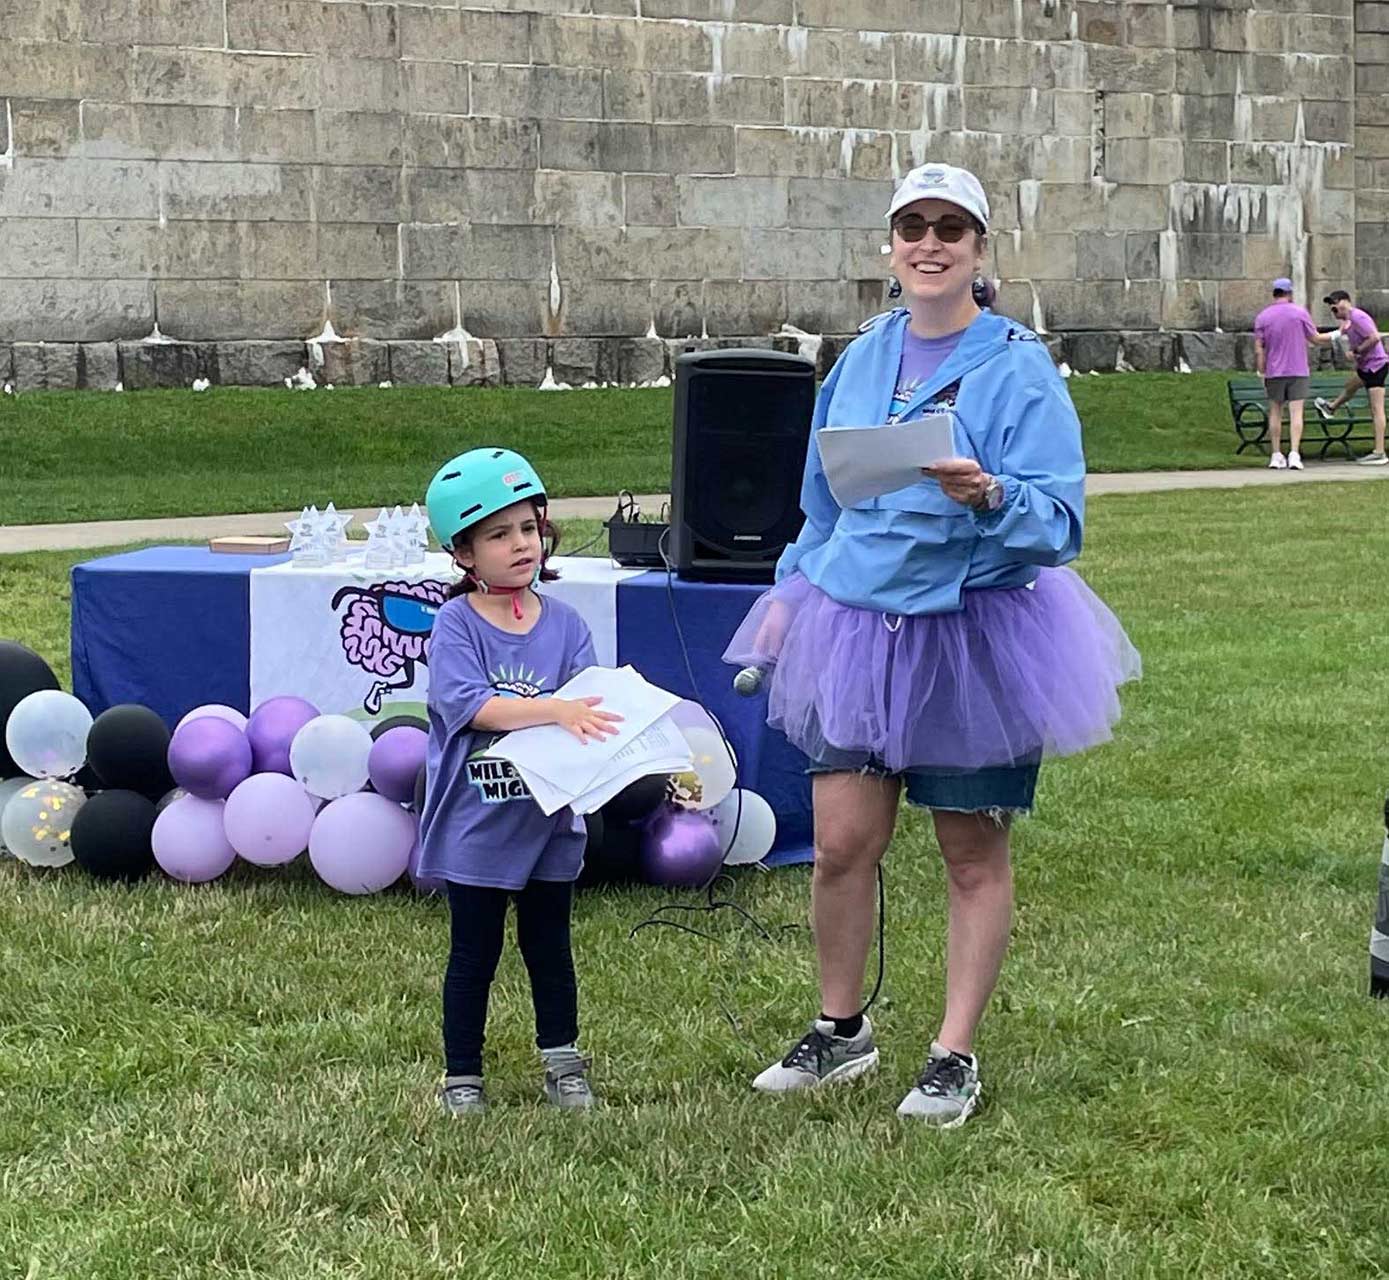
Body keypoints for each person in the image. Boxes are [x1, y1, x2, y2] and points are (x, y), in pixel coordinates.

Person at [724, 162, 1140, 1126]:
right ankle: (841, 1032)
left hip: (974, 633)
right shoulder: (862, 358)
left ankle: (952, 1054)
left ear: (979, 250)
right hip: (858, 628)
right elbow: (823, 502)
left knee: (968, 850)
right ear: (890, 245)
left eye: (951, 228)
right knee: (838, 845)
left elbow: (1058, 524)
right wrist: (794, 590)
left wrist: (987, 495)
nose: (929, 243)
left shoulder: (1018, 367)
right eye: (913, 225)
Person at [419, 447, 621, 1116]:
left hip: (548, 822)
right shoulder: (455, 624)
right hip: (477, 823)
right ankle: (462, 1077)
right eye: (498, 534)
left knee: (549, 948)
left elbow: (589, 703)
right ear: (464, 553)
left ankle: (562, 1063)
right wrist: (555, 710)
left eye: (528, 528)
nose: (520, 544)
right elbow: (470, 704)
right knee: (473, 953)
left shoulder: (565, 625)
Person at [1253, 277, 1326, 471]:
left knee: (1275, 412)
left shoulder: (1263, 317)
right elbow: (1315, 338)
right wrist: (1337, 335)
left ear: (1274, 293)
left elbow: (1259, 348)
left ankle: (1276, 454)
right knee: (1296, 412)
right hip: (1298, 369)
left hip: (1274, 370)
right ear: (1289, 293)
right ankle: (1294, 453)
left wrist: (1261, 371)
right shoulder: (1299, 313)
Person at [1314, 290, 1388, 465]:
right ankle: (1331, 408)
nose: (1334, 310)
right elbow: (1332, 336)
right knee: (1351, 386)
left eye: (1336, 305)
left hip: (1376, 366)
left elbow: (1375, 338)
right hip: (1365, 367)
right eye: (1331, 308)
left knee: (1377, 410)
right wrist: (1311, 336)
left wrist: (1356, 351)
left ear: (1346, 302)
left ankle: (1379, 452)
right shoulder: (1347, 323)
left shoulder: (1358, 317)